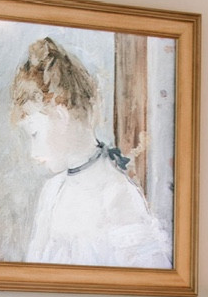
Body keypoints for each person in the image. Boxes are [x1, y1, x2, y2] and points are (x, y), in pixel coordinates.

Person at [11, 37, 170, 268]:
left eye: (35, 134)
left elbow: (150, 280)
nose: (33, 152)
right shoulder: (52, 192)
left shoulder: (117, 195)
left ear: (61, 116)